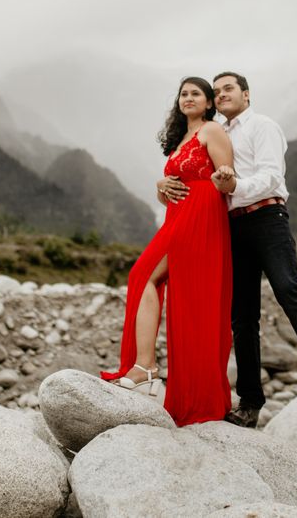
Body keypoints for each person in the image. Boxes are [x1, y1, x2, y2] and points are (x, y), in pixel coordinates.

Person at [207, 71, 297, 427]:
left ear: (246, 93)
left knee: (289, 289)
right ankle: (250, 403)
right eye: (217, 91)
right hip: (234, 227)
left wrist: (234, 187)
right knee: (242, 315)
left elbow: (272, 176)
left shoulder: (263, 126)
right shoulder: (216, 135)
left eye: (229, 88)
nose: (222, 94)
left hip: (267, 217)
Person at [100, 77, 235, 427]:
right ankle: (146, 368)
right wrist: (161, 187)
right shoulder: (181, 139)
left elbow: (227, 178)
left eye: (196, 94)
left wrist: (223, 178)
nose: (188, 98)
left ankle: (149, 370)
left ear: (209, 103)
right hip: (177, 217)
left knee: (164, 286)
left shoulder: (212, 131)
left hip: (202, 217)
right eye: (183, 94)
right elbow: (174, 187)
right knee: (146, 279)